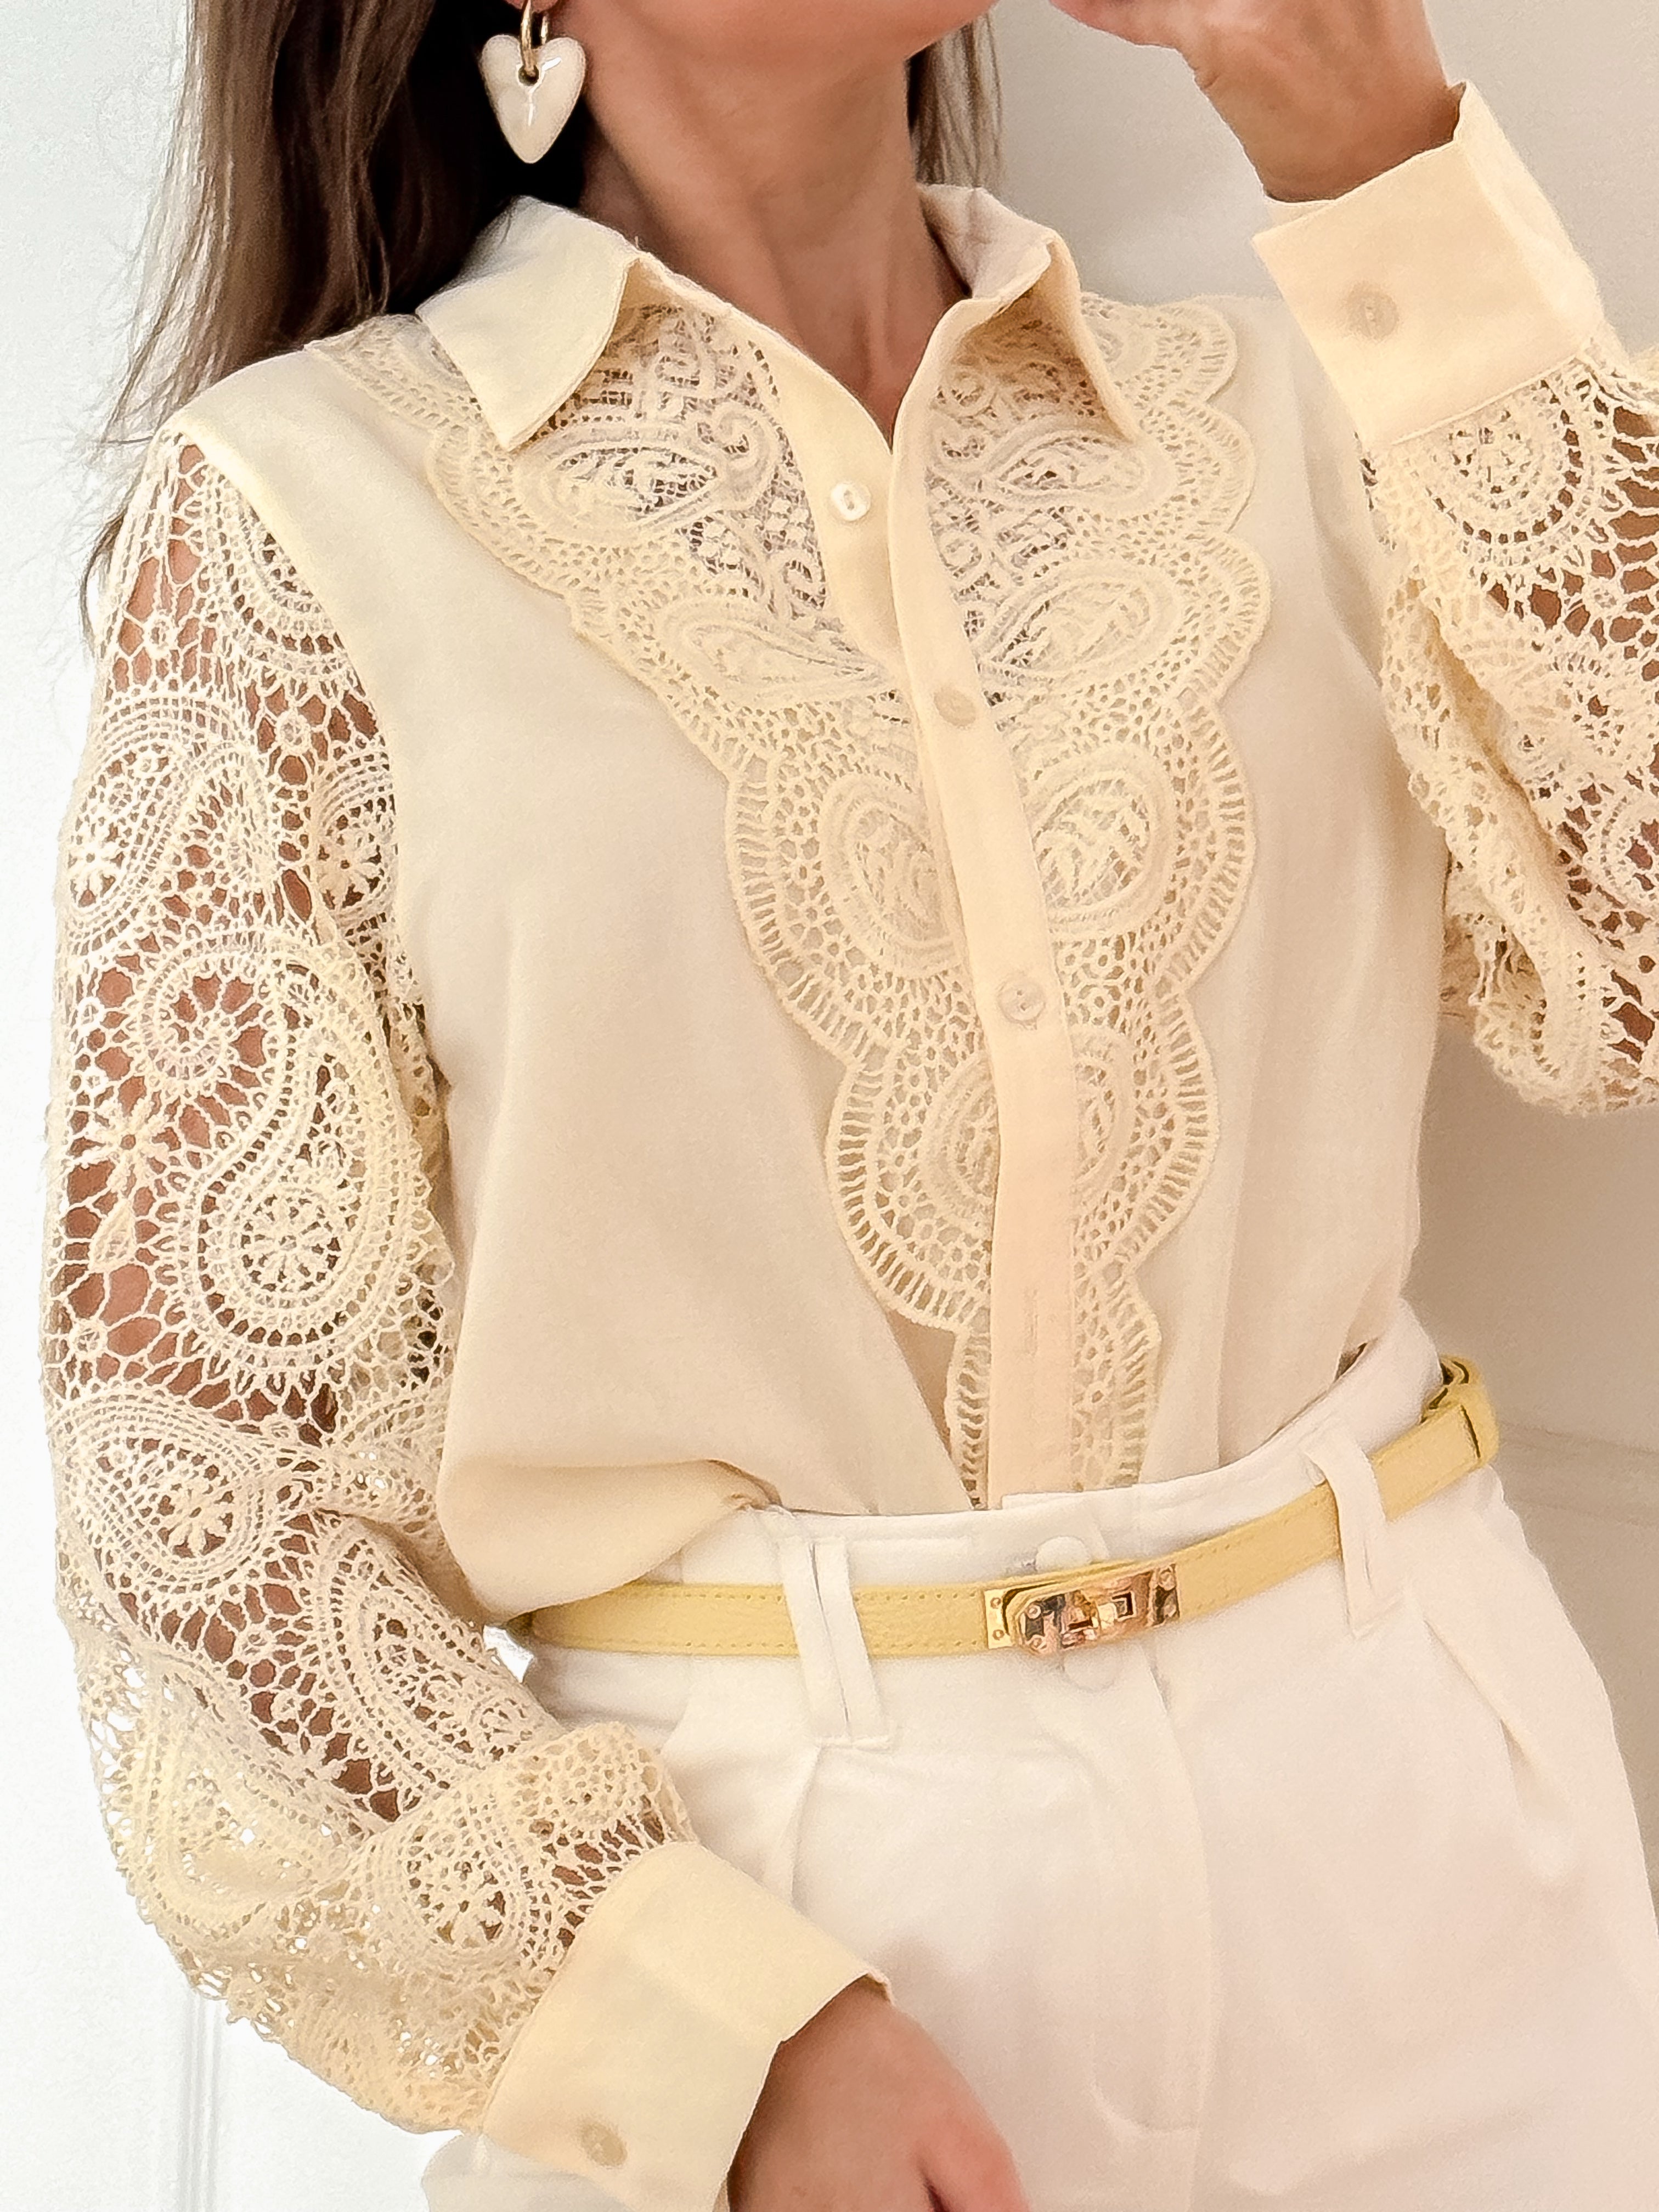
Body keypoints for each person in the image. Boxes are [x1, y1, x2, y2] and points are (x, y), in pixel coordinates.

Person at [38, 0, 1659, 2207]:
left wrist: (1381, 164)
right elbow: (204, 1508)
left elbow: (1626, 961)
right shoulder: (304, 516)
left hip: (1438, 1859)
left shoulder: (1280, 404)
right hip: (795, 1910)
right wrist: (706, 2042)